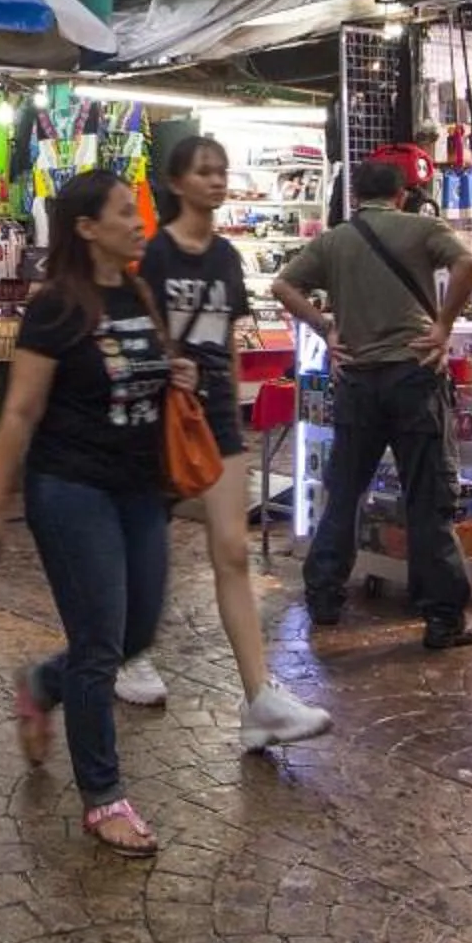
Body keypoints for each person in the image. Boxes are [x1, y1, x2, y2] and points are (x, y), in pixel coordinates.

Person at [0, 169, 184, 857]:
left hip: (139, 488)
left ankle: (41, 684)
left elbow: (147, 374)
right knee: (98, 645)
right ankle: (103, 796)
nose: (138, 221)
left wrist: (174, 375)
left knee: (137, 630)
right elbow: (20, 411)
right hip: (70, 489)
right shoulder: (57, 305)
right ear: (88, 228)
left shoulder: (139, 292)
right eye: (124, 212)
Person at [131, 136, 333, 752]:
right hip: (166, 414)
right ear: (177, 183)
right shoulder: (157, 255)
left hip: (217, 416)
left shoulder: (224, 257)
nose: (217, 181)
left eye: (222, 171)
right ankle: (126, 652)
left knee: (233, 553)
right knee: (144, 544)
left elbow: (228, 339)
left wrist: (236, 406)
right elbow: (146, 332)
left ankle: (258, 697)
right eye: (204, 172)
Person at [275, 157, 472, 650]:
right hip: (414, 376)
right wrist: (443, 325)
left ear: (355, 198)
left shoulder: (334, 240)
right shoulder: (422, 228)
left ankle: (325, 597)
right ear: (401, 194)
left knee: (344, 492)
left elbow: (283, 285)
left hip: (357, 382)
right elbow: (468, 264)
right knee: (427, 499)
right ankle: (442, 618)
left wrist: (325, 327)